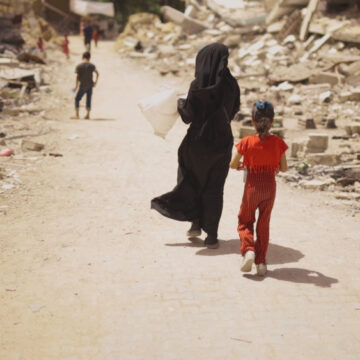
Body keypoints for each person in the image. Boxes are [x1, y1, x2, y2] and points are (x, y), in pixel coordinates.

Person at [151, 43, 240, 249]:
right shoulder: (231, 84)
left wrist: (181, 104)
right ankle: (212, 236)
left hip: (196, 143)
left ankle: (195, 223)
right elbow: (234, 109)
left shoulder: (197, 85)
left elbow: (188, 117)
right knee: (214, 187)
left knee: (191, 180)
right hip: (222, 142)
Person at [230, 101, 288, 276]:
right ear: (272, 121)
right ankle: (261, 262)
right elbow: (284, 168)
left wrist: (244, 165)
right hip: (270, 187)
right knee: (264, 224)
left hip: (252, 187)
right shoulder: (279, 143)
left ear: (253, 121)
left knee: (245, 220)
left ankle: (248, 250)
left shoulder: (247, 142)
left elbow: (233, 165)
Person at [73, 51, 99, 120]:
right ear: (89, 58)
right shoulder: (92, 66)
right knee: (89, 99)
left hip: (82, 86)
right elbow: (97, 73)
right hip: (90, 85)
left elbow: (77, 77)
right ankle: (88, 115)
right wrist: (95, 82)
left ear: (82, 57)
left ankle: (77, 114)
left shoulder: (79, 66)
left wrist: (76, 87)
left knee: (77, 99)